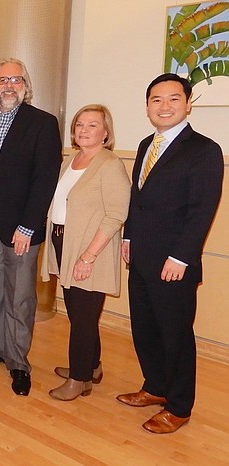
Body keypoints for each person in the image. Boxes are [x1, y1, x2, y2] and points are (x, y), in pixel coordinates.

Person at [117, 73, 223, 434]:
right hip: (142, 257)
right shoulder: (147, 143)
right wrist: (128, 237)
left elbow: (202, 209)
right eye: (156, 100)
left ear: (188, 103)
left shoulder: (205, 150)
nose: (164, 106)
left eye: (173, 99)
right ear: (147, 107)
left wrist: (181, 257)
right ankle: (155, 386)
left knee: (175, 334)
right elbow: (138, 199)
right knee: (145, 328)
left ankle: (179, 407)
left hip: (174, 263)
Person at [0, 58, 61, 396]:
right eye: (2, 80)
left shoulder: (43, 123)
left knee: (20, 296)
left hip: (21, 226)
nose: (8, 86)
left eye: (15, 79)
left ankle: (18, 362)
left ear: (26, 85)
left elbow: (45, 179)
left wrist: (29, 225)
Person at [41, 104, 130, 401]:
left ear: (105, 132)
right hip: (63, 243)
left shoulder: (109, 164)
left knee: (82, 318)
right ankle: (91, 366)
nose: (83, 129)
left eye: (92, 125)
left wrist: (88, 256)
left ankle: (79, 380)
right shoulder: (71, 160)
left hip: (91, 249)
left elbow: (116, 214)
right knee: (81, 315)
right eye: (79, 124)